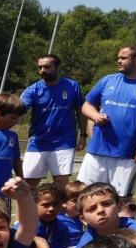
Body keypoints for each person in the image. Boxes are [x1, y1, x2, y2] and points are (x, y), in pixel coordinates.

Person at [78, 46, 136, 202]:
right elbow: (86, 105)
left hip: (128, 154)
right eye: (118, 57)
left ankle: (122, 226)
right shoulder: (107, 80)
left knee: (121, 200)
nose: (118, 61)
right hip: (97, 151)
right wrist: (96, 116)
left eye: (123, 58)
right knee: (86, 195)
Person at [21, 54, 87, 188]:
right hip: (38, 142)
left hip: (64, 142)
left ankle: (62, 210)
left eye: (46, 67)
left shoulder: (72, 86)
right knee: (28, 184)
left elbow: (81, 110)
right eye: (40, 68)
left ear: (58, 67)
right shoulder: (32, 90)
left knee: (61, 183)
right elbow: (18, 108)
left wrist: (83, 135)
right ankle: (31, 209)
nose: (42, 71)